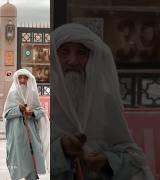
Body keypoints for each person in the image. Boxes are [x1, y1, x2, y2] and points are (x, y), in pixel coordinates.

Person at [52, 23, 154, 180]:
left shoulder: (105, 101)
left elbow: (133, 157)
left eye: (81, 54)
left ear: (91, 59)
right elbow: (26, 154)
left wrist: (106, 160)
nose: (72, 61)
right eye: (64, 52)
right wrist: (62, 149)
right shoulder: (40, 102)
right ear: (54, 56)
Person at [3, 69, 50, 180]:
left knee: (32, 158)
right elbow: (7, 114)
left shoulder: (33, 94)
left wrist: (33, 113)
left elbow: (40, 110)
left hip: (31, 134)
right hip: (17, 134)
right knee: (19, 159)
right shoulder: (12, 95)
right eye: (20, 78)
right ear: (16, 79)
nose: (22, 80)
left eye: (25, 78)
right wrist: (18, 109)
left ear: (29, 79)